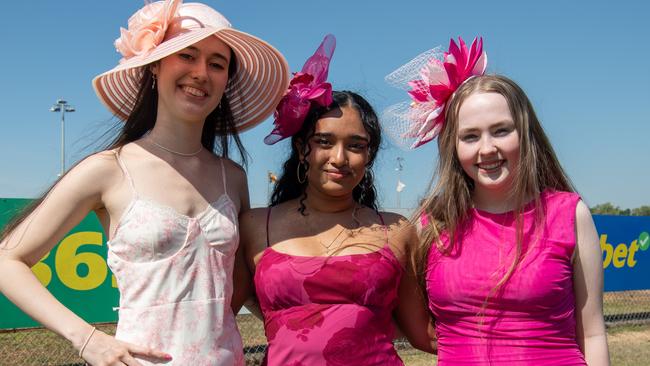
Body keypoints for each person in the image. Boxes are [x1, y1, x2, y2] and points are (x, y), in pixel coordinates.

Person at [0, 1, 289, 365]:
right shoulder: (108, 169)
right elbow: (7, 260)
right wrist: (87, 339)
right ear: (154, 66)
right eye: (187, 55)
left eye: (217, 64)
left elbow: (239, 284)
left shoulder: (233, 177)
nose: (201, 72)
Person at [384, 37, 610, 365]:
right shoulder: (430, 225)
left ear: (526, 133)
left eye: (501, 130)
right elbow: (412, 328)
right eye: (471, 136)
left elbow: (592, 334)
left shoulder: (570, 214)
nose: (487, 148)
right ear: (452, 145)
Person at [240, 35, 424, 365]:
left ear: (369, 156)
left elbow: (423, 333)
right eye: (324, 141)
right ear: (301, 148)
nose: (339, 158)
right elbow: (219, 311)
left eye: (356, 146)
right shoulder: (255, 226)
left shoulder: (397, 231)